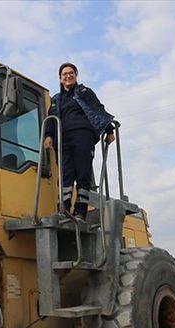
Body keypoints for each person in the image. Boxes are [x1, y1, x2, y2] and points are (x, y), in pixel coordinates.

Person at [43, 62, 115, 219]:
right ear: (60, 79)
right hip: (63, 140)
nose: (68, 76)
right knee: (65, 175)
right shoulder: (56, 100)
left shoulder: (84, 92)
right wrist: (48, 135)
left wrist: (109, 130)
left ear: (75, 76)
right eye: (64, 74)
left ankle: (81, 211)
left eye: (71, 73)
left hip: (83, 136)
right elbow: (50, 119)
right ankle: (64, 209)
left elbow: (98, 109)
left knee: (83, 173)